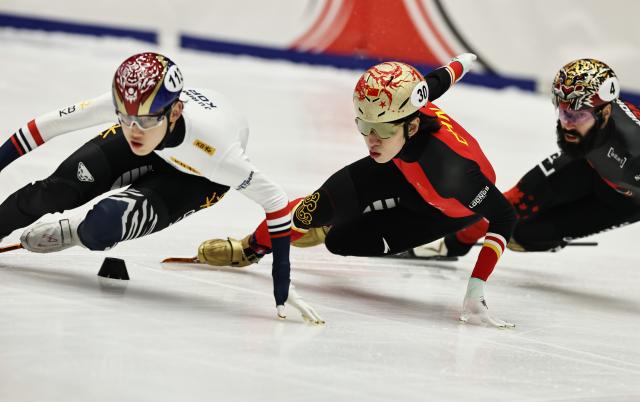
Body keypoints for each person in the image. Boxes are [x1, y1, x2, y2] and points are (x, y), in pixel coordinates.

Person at [164, 54, 518, 328]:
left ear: (412, 124)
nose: (370, 140)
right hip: (398, 167)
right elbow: (438, 80)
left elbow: (504, 215)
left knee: (341, 241)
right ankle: (253, 247)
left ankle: (332, 224)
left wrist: (476, 287)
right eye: (363, 126)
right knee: (311, 211)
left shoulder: (453, 172)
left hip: (440, 210)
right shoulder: (402, 110)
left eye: (379, 129)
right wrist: (461, 63)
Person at [0, 52, 323, 324]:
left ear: (176, 111)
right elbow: (45, 126)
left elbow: (276, 201)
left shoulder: (218, 153)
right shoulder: (137, 111)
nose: (134, 131)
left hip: (196, 177)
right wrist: (137, 120)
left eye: (145, 120)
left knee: (105, 224)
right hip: (164, 144)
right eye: (124, 119)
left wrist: (282, 279)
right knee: (55, 190)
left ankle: (76, 232)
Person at [413, 58, 640, 258]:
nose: (567, 123)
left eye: (577, 115)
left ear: (606, 112)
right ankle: (454, 244)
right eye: (562, 111)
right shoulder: (592, 125)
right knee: (513, 208)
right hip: (586, 166)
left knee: (523, 237)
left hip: (625, 202)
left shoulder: (633, 154)